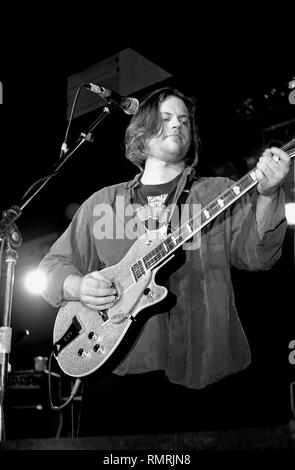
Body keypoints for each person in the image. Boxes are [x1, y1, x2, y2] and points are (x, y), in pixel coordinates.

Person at [39, 87, 291, 437]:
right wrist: (78, 285)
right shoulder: (102, 204)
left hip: (204, 371)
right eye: (167, 118)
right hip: (116, 374)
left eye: (185, 121)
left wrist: (267, 194)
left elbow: (259, 256)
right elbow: (51, 268)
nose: (178, 125)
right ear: (140, 131)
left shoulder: (216, 191)